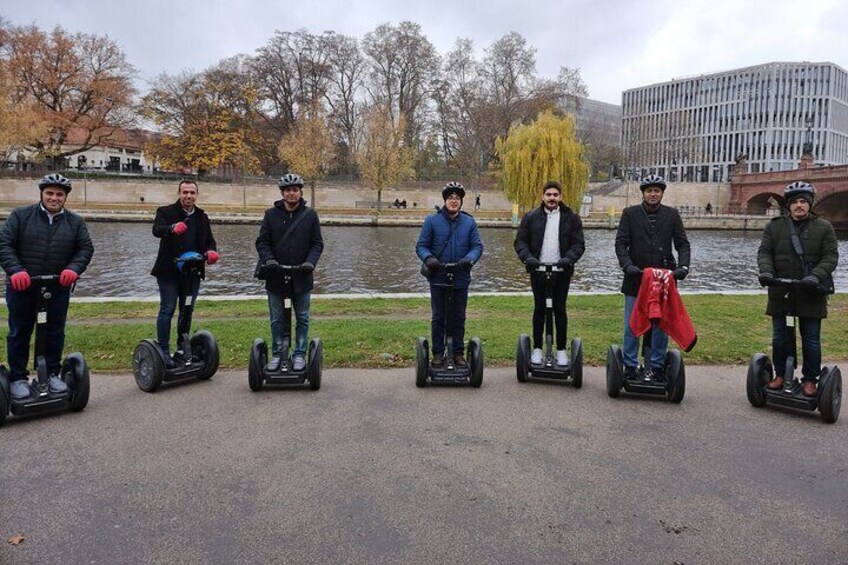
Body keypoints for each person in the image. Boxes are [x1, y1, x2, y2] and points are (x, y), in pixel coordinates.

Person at [0, 173, 94, 399]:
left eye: (59, 194)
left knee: (54, 331)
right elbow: (4, 244)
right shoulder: (21, 216)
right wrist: (16, 270)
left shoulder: (75, 222)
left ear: (65, 197)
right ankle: (18, 378)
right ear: (42, 194)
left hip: (56, 287)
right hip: (23, 286)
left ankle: (51, 373)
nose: (54, 198)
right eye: (50, 193)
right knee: (19, 332)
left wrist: (73, 269)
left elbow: (85, 249)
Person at [757, 181, 838, 397]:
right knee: (780, 337)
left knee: (811, 338)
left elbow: (830, 257)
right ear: (789, 205)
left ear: (809, 204)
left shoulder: (824, 227)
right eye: (795, 202)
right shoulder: (775, 226)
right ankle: (782, 374)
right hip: (781, 292)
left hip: (810, 292)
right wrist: (766, 272)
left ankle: (810, 379)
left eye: (803, 201)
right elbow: (764, 252)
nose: (799, 206)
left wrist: (815, 276)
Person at [614, 174, 691, 379]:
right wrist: (627, 265)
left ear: (662, 193)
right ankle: (630, 364)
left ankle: (656, 365)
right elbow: (621, 243)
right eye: (649, 191)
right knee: (632, 323)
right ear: (643, 193)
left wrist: (683, 267)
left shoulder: (672, 215)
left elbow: (682, 244)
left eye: (657, 190)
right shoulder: (630, 214)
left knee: (660, 325)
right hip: (636, 277)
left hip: (663, 278)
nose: (653, 194)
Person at [256, 173, 324, 372]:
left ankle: (299, 354)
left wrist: (310, 263)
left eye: (295, 190)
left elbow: (317, 244)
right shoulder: (271, 215)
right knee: (277, 318)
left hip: (301, 275)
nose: (292, 193)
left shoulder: (310, 215)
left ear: (300, 192)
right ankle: (278, 353)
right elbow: (262, 241)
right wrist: (269, 259)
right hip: (276, 275)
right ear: (282, 193)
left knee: (302, 317)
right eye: (288, 190)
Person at [514, 181, 585, 366]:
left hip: (561, 271)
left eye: (555, 195)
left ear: (560, 197)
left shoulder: (572, 218)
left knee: (559, 310)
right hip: (538, 270)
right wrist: (528, 258)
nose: (552, 198)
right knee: (539, 309)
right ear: (543, 196)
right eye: (548, 195)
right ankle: (537, 348)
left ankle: (561, 349)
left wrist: (568, 259)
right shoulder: (531, 217)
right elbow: (520, 242)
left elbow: (578, 244)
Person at [151, 180, 219, 367]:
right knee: (168, 308)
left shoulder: (202, 216)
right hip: (169, 272)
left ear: (196, 195)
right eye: (185, 192)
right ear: (179, 193)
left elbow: (209, 241)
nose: (188, 196)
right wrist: (171, 229)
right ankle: (163, 350)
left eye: (192, 192)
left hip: (192, 271)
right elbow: (156, 230)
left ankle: (182, 347)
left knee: (187, 309)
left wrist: (211, 251)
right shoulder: (165, 212)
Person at [416, 182, 483, 367]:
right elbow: (421, 245)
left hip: (460, 276)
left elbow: (477, 246)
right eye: (450, 198)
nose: (454, 201)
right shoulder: (432, 221)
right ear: (445, 201)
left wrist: (469, 259)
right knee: (438, 316)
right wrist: (428, 258)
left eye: (457, 198)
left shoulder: (469, 222)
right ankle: (438, 352)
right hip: (438, 276)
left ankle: (458, 352)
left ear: (461, 202)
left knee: (459, 316)